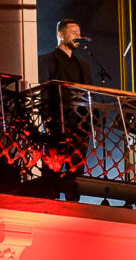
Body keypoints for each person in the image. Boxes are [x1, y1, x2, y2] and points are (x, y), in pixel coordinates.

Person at [36, 19, 94, 195]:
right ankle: (50, 202)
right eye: (74, 32)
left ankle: (73, 203)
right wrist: (46, 117)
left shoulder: (83, 65)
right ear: (61, 35)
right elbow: (43, 90)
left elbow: (89, 93)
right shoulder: (46, 60)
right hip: (57, 122)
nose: (78, 35)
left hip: (80, 124)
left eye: (79, 32)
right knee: (53, 166)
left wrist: (91, 119)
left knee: (76, 170)